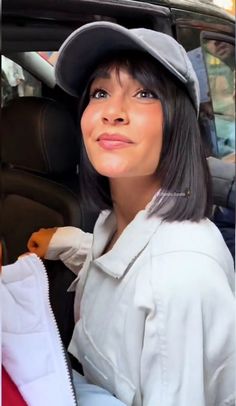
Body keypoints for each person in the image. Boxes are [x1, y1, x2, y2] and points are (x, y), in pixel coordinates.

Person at [3, 22, 235, 406]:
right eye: (100, 92)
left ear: (177, 123)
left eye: (144, 93)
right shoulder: (113, 222)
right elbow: (120, 271)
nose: (113, 111)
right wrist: (69, 245)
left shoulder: (180, 278)